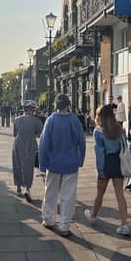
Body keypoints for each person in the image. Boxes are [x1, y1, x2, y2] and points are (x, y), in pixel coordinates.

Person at [38, 94, 86, 237]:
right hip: (71, 163)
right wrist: (81, 160)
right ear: (68, 105)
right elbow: (81, 142)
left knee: (50, 192)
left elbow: (43, 144)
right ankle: (64, 225)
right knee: (68, 195)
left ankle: (48, 219)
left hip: (53, 163)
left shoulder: (50, 120)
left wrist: (42, 164)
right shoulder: (74, 120)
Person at [84, 105, 130, 235]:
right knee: (120, 194)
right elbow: (124, 146)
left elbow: (100, 152)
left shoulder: (98, 131)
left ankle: (93, 216)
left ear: (100, 116)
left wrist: (100, 170)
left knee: (100, 193)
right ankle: (125, 224)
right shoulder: (120, 129)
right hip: (118, 161)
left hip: (106, 162)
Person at [12, 100, 43, 201]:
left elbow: (15, 133)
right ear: (33, 110)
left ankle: (18, 188)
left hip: (17, 144)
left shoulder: (17, 119)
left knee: (17, 165)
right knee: (28, 166)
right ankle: (27, 188)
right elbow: (40, 133)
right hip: (30, 144)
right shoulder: (36, 121)